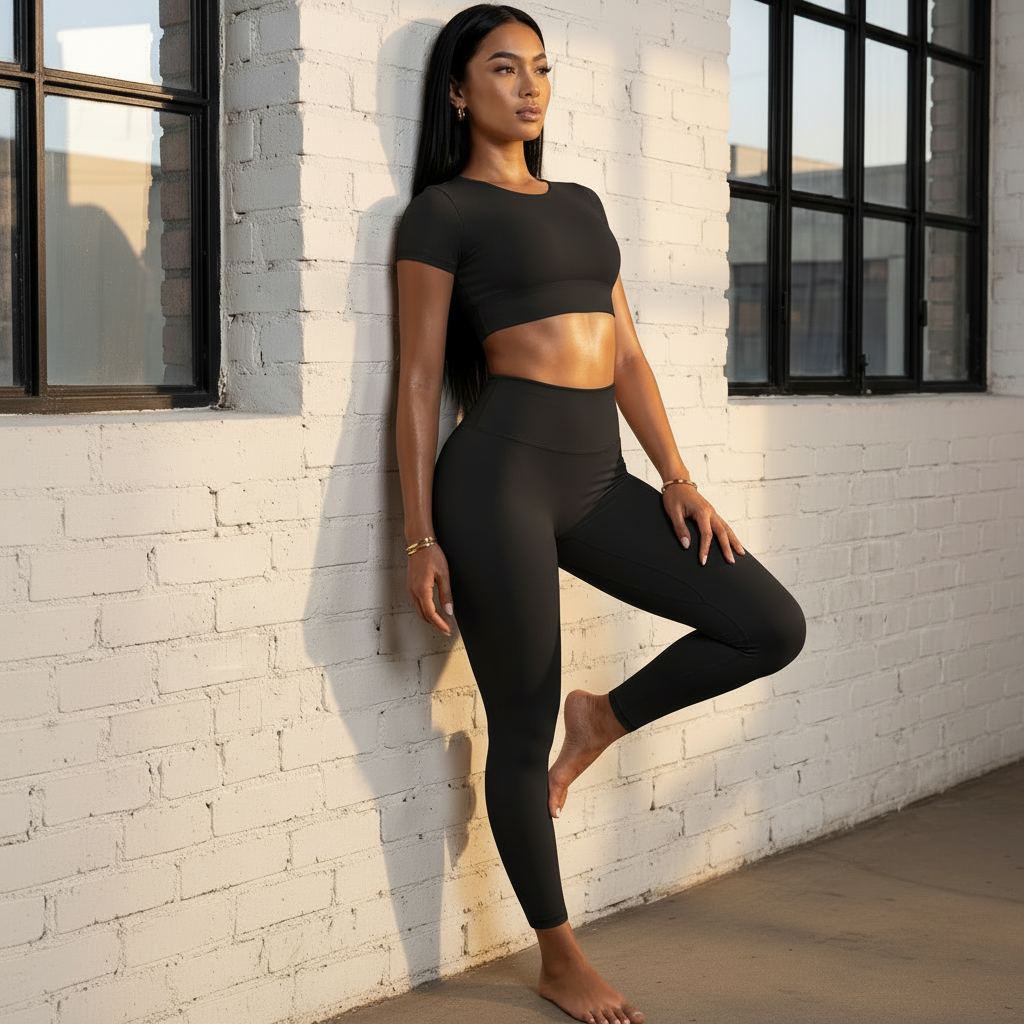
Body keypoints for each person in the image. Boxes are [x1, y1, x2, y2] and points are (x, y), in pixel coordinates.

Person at [394, 6, 806, 1022]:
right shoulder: (441, 214)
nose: (528, 87)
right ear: (458, 92)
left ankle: (603, 718)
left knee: (766, 623)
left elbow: (624, 353)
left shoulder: (580, 203)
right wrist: (418, 534)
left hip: (595, 473)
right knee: (518, 722)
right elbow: (413, 384)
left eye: (540, 68)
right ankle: (559, 952)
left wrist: (674, 474)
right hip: (495, 482)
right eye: (502, 69)